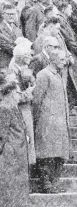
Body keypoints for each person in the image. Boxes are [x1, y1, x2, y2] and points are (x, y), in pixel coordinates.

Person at [33, 50, 70, 194]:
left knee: (58, 154)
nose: (64, 61)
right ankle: (46, 184)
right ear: (53, 60)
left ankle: (54, 183)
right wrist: (38, 119)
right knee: (46, 153)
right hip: (47, 121)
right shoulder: (44, 74)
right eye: (61, 59)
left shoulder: (59, 74)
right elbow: (37, 99)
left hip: (59, 122)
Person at [0, 71, 30, 206]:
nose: (20, 96)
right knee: (10, 186)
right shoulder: (4, 108)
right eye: (18, 93)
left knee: (18, 186)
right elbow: (2, 133)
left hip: (18, 154)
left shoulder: (13, 107)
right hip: (10, 155)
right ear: (11, 93)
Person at [0, 4, 23, 68]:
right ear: (3, 14)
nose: (11, 16)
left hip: (17, 62)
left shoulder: (17, 28)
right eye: (9, 14)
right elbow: (4, 45)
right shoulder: (0, 28)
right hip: (5, 62)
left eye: (13, 14)